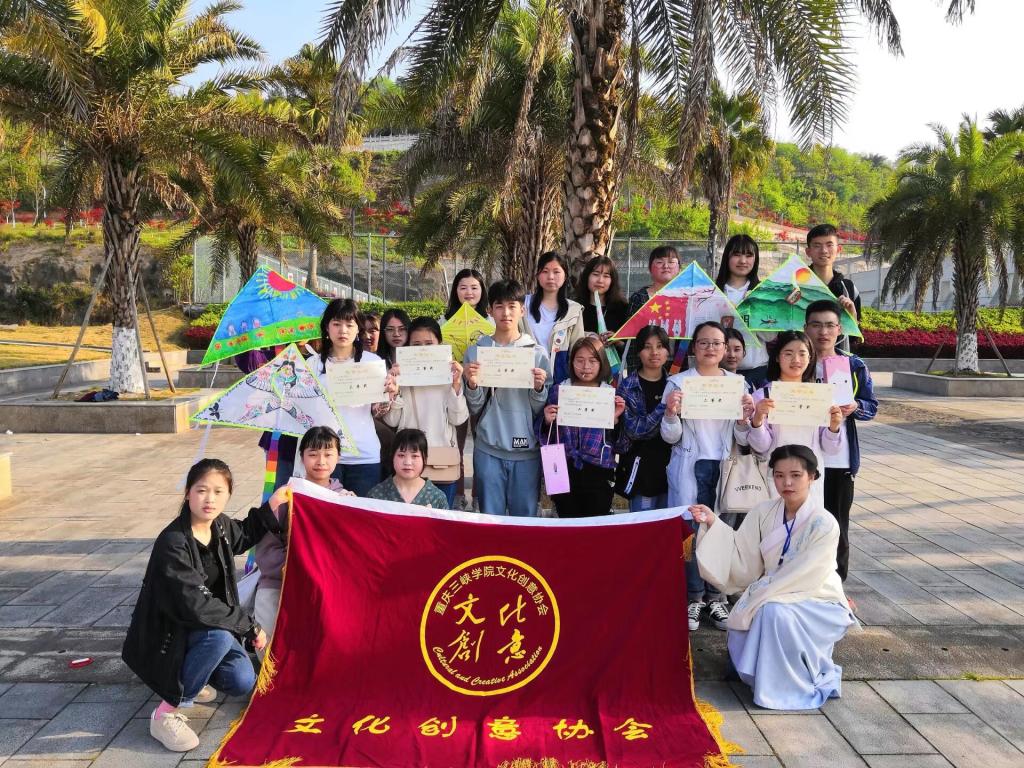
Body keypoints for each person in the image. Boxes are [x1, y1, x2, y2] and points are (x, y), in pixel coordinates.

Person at [122, 459, 281, 752]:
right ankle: (166, 712)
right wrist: (250, 626)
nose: (210, 499)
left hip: (204, 629)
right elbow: (197, 606)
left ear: (228, 495)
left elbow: (244, 534)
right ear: (187, 493)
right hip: (170, 636)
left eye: (219, 492)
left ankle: (195, 675)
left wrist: (273, 505)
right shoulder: (173, 543)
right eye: (201, 490)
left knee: (241, 680)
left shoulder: (219, 526)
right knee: (217, 637)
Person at [691, 445, 856, 710]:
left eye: (795, 475)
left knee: (772, 612)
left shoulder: (824, 523)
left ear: (812, 477)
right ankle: (763, 680)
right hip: (772, 591)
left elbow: (806, 574)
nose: (786, 483)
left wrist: (760, 596)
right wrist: (713, 523)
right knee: (768, 610)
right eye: (779, 475)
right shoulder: (763, 511)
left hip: (815, 595)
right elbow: (741, 550)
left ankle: (785, 688)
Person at [661, 321, 753, 631]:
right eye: (703, 342)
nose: (710, 348)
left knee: (720, 532)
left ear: (726, 349)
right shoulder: (678, 383)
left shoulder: (738, 385)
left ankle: (716, 597)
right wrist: (670, 413)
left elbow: (743, 438)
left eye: (716, 343)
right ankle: (694, 597)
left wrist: (744, 419)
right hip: (689, 466)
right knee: (690, 534)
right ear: (694, 348)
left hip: (724, 468)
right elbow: (670, 437)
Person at [253, 427, 354, 656]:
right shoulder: (285, 496)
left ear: (338, 457)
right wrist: (296, 566)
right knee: (268, 640)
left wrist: (352, 512)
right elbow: (266, 548)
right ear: (301, 456)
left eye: (328, 454)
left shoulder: (345, 499)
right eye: (313, 454)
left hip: (326, 584)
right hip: (281, 580)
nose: (321, 461)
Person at [464, 279, 551, 517]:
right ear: (489, 310)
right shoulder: (476, 352)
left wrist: (538, 388)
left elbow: (539, 410)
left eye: (512, 306)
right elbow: (475, 406)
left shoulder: (537, 353)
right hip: (488, 447)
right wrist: (472, 384)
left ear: (522, 310)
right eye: (499, 306)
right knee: (490, 519)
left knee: (524, 520)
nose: (506, 313)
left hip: (527, 450)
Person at [805, 299, 878, 581]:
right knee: (801, 525)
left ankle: (835, 586)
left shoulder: (853, 365)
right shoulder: (796, 360)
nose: (823, 332)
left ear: (839, 329)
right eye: (816, 325)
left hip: (839, 459)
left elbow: (871, 407)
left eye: (829, 325)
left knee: (836, 526)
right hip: (802, 455)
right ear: (806, 328)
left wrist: (855, 407)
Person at [307, 298, 397, 496]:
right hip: (324, 457)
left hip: (364, 455)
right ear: (327, 327)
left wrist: (389, 395)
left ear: (358, 329)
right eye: (336, 324)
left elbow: (377, 412)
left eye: (349, 324)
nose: (343, 330)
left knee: (361, 513)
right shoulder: (312, 365)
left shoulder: (371, 362)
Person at [746, 331, 843, 506]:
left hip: (809, 476)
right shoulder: (762, 396)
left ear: (810, 358)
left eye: (802, 353)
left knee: (807, 521)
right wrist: (758, 419)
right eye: (788, 353)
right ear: (777, 357)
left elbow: (830, 448)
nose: (796, 360)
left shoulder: (820, 396)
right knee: (775, 519)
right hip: (774, 475)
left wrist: (834, 427)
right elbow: (760, 447)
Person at [384, 317, 469, 508]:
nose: (423, 349)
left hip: (442, 462)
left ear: (440, 344)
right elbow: (392, 420)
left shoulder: (450, 376)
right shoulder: (401, 376)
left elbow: (458, 418)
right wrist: (394, 390)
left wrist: (456, 386)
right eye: (416, 344)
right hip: (409, 462)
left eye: (429, 344)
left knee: (440, 521)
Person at [539, 336, 626, 517]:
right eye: (580, 360)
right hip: (563, 466)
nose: (586, 367)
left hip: (599, 469)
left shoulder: (610, 395)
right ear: (571, 362)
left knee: (595, 525)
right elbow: (546, 435)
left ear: (602, 363)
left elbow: (621, 444)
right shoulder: (559, 391)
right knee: (567, 522)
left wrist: (616, 420)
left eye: (593, 361)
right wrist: (547, 420)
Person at [441, 269, 489, 510]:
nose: (469, 292)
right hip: (455, 390)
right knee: (455, 444)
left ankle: (479, 496)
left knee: (482, 445)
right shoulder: (444, 321)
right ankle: (458, 495)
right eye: (463, 287)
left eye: (474, 287)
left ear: (482, 291)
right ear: (455, 291)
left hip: (483, 391)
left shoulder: (491, 323)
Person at [615, 325, 672, 511]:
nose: (654, 352)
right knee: (643, 522)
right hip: (641, 468)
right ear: (639, 351)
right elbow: (635, 431)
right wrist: (664, 406)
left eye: (660, 346)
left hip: (671, 466)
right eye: (647, 347)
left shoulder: (675, 384)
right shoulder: (628, 386)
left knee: (667, 523)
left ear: (667, 351)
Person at [715, 234, 771, 386]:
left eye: (748, 255)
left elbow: (770, 336)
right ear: (727, 257)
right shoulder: (713, 292)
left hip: (756, 371)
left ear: (755, 259)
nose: (743, 261)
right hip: (718, 370)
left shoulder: (763, 293)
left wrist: (751, 313)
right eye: (737, 254)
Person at [805, 224, 861, 353]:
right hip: (803, 360)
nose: (824, 250)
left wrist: (852, 317)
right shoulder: (795, 286)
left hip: (838, 361)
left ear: (838, 249)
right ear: (808, 252)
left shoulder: (849, 289)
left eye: (829, 245)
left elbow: (854, 338)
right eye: (817, 245)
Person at [625, 245, 681, 371]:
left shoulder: (687, 299)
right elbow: (632, 339)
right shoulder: (639, 298)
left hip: (678, 365)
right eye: (660, 262)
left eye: (671, 262)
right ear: (650, 268)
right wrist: (635, 371)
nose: (666, 266)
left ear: (679, 268)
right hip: (645, 366)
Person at [522, 251, 584, 365]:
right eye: (545, 271)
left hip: (559, 374)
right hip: (526, 370)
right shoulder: (522, 304)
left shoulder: (574, 310)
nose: (550, 277)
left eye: (556, 272)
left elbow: (577, 348)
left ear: (565, 276)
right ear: (538, 275)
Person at [368, 428, 450, 508]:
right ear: (392, 457)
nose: (407, 462)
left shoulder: (437, 498)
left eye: (414, 456)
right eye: (401, 455)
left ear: (424, 459)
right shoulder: (376, 495)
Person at [576, 255, 628, 341]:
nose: (600, 280)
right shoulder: (575, 307)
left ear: (612, 280)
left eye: (606, 276)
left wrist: (617, 341)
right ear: (586, 277)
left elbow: (629, 345)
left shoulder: (622, 309)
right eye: (595, 274)